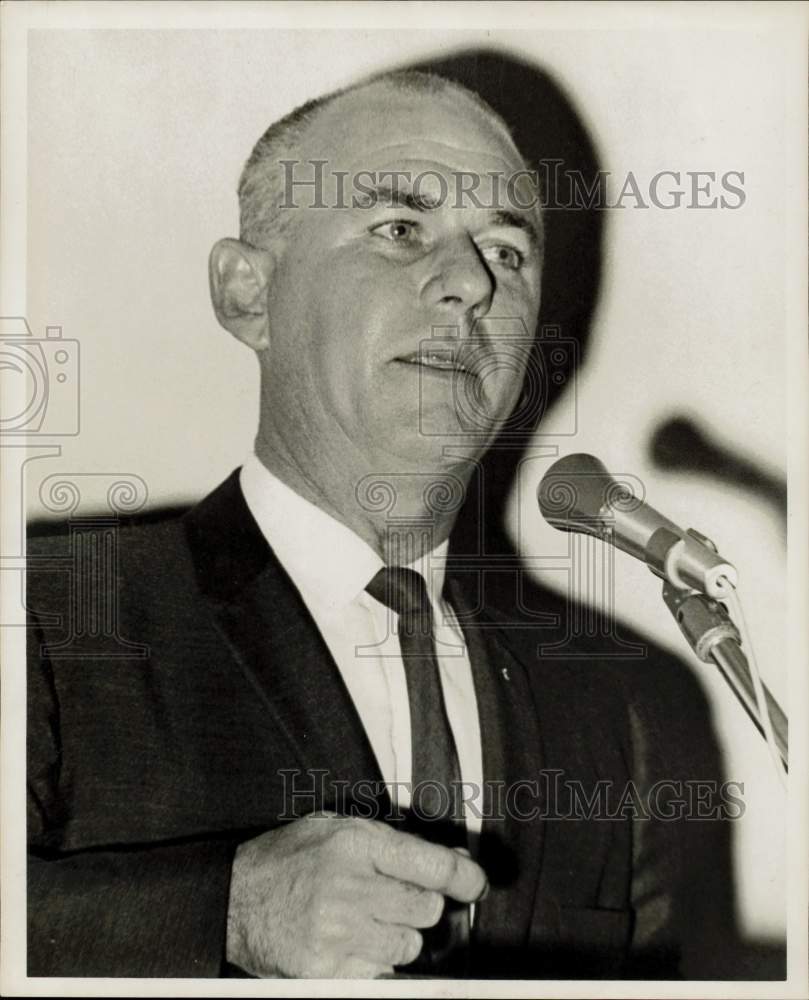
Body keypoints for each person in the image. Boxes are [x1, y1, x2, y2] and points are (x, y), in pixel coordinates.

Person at [27, 70, 722, 980]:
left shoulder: (630, 712)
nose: (471, 283)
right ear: (248, 294)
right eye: (399, 229)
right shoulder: (49, 620)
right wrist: (223, 912)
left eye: (508, 252)